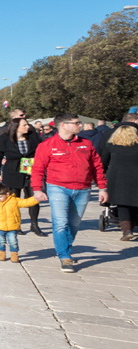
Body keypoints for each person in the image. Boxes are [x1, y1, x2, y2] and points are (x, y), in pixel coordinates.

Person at [31, 113, 108, 273]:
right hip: (57, 187)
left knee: (74, 223)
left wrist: (102, 188)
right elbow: (38, 168)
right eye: (76, 123)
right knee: (60, 222)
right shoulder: (47, 145)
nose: (80, 125)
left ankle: (66, 247)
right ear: (63, 125)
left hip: (83, 188)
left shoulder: (86, 143)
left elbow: (97, 166)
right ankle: (64, 256)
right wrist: (37, 189)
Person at [0, 115, 46, 236]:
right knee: (13, 200)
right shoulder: (5, 139)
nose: (28, 127)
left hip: (30, 171)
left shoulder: (33, 137)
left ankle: (34, 224)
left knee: (34, 198)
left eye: (27, 124)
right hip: (12, 171)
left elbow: (41, 151)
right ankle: (16, 225)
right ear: (16, 127)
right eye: (24, 125)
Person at [98, 112, 138, 241]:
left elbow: (103, 161)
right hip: (136, 176)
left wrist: (101, 175)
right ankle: (133, 224)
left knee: (122, 204)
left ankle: (127, 230)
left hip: (117, 177)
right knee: (135, 203)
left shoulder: (111, 145)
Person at [0, 183, 41, 263]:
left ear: (7, 194)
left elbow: (26, 202)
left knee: (13, 242)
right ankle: (1, 254)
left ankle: (14, 255)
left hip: (12, 226)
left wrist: (37, 199)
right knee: (1, 242)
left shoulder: (14, 200)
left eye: (0, 196)